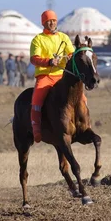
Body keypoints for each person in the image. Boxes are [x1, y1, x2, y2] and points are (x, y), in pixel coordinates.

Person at [29, 10, 76, 143]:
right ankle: (36, 129)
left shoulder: (64, 37)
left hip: (62, 75)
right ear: (44, 22)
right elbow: (34, 59)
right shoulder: (38, 39)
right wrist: (49, 62)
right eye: (48, 21)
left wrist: (69, 57)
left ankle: (82, 123)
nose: (52, 23)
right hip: (45, 75)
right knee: (36, 100)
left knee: (81, 97)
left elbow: (72, 53)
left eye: (54, 20)